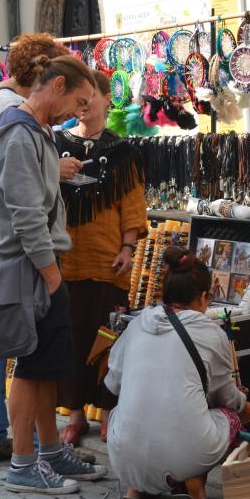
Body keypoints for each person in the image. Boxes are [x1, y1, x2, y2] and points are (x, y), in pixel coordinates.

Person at [0, 54, 107, 494]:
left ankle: (50, 452)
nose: (81, 110)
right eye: (79, 99)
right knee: (30, 367)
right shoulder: (18, 133)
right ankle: (22, 463)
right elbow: (26, 214)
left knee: (48, 365)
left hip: (39, 264)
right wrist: (51, 276)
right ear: (56, 87)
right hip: (28, 267)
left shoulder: (35, 131)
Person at [0, 33, 71, 464]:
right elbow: (20, 193)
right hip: (9, 241)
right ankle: (0, 439)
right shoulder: (11, 113)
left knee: (6, 333)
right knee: (11, 339)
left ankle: (26, 443)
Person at [104, 246, 250, 499]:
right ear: (202, 297)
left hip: (123, 454)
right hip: (185, 451)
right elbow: (226, 397)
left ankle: (137, 487)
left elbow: (114, 383)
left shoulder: (136, 323)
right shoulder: (211, 334)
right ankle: (196, 486)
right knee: (231, 416)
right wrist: (246, 407)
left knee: (138, 407)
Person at [54, 69, 147, 447]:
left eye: (92, 96)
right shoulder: (57, 145)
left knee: (109, 339)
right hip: (65, 259)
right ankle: (75, 415)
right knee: (72, 338)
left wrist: (127, 247)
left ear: (107, 99)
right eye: (80, 97)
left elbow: (132, 204)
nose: (85, 104)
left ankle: (109, 413)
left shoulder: (123, 151)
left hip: (108, 260)